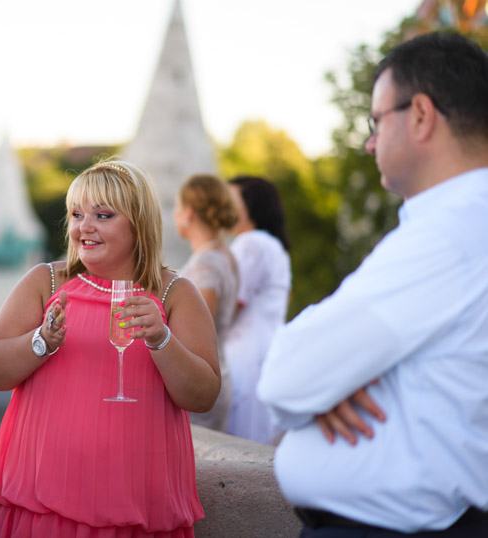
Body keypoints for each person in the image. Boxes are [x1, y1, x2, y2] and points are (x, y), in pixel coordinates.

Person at [257, 32, 488, 537]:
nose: (370, 142)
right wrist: (330, 378)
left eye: (376, 121)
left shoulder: (449, 233)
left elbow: (283, 376)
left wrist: (323, 379)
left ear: (421, 115)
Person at [0, 160, 220, 537]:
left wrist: (162, 340)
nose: (84, 227)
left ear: (139, 223)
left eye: (102, 215)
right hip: (45, 501)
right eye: (77, 214)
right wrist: (40, 342)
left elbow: (203, 397)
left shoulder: (176, 293)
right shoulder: (47, 281)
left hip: (137, 505)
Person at [223, 175, 291, 444]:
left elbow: (230, 304)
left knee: (237, 442)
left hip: (244, 356)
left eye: (230, 201)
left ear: (251, 206)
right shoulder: (272, 246)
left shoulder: (251, 244)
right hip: (267, 351)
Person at [174, 173, 239, 431]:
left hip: (202, 378)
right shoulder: (223, 254)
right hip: (220, 368)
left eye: (177, 207)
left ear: (189, 212)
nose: (175, 214)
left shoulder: (206, 262)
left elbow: (199, 326)